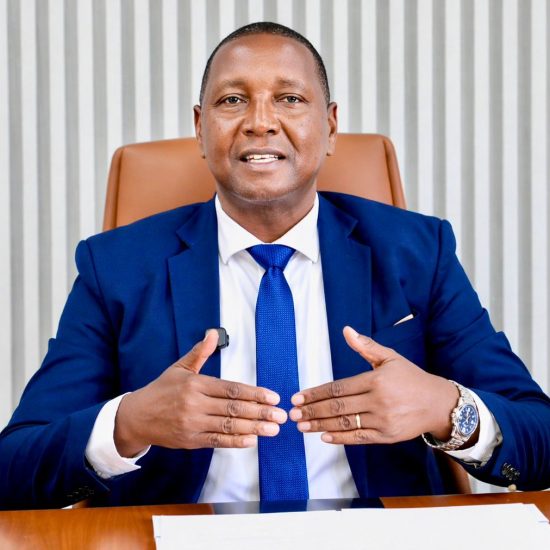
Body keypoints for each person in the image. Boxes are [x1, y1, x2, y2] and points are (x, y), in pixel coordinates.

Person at [1, 22, 549, 511]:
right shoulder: (116, 266)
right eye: (232, 100)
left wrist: (446, 407)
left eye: (289, 98)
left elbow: (540, 438)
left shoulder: (417, 252)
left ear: (330, 126)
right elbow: (14, 467)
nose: (260, 122)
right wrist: (129, 422)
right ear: (200, 128)